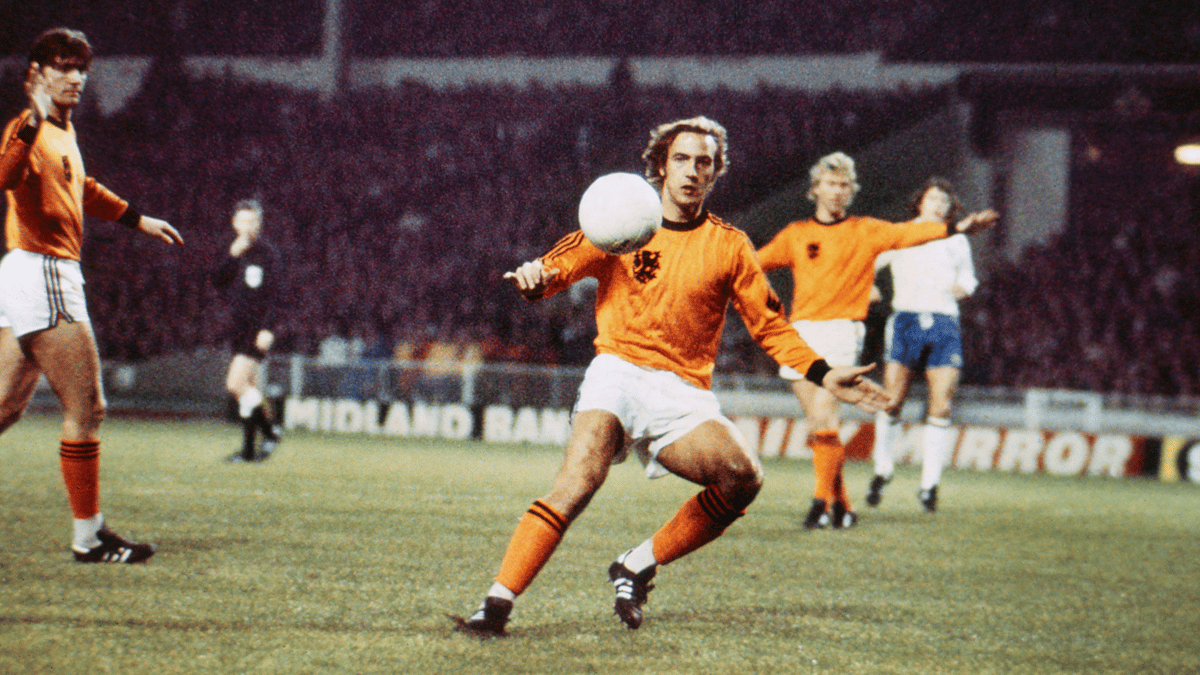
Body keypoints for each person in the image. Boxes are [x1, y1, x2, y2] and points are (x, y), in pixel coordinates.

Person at [453, 117, 891, 637]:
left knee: (744, 476)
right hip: (616, 370)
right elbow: (552, 272)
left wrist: (823, 372)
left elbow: (771, 326)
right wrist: (533, 280)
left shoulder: (729, 245)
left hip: (681, 390)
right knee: (579, 481)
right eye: (681, 159)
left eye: (703, 162)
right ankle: (495, 605)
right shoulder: (620, 218)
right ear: (661, 166)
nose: (691, 171)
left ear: (715, 173)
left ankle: (636, 564)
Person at [0, 28, 183, 563]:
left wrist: (138, 218)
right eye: (63, 65)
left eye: (82, 67)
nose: (77, 76)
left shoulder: (63, 131)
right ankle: (88, 536)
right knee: (89, 408)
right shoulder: (30, 127)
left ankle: (90, 531)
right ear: (36, 73)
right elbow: (6, 175)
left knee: (6, 405)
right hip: (46, 271)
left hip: (25, 272)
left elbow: (81, 187)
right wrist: (31, 117)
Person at [756, 152, 996, 530]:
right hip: (799, 333)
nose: (837, 191)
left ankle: (820, 502)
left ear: (851, 192)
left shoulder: (866, 230)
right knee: (817, 424)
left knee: (824, 415)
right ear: (815, 189)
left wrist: (956, 228)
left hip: (841, 332)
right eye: (831, 184)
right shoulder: (796, 235)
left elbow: (908, 233)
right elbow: (754, 265)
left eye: (844, 186)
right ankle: (842, 507)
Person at [867, 178, 978, 512]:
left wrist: (965, 287)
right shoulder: (901, 234)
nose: (939, 203)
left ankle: (930, 485)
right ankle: (882, 468)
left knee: (942, 403)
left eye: (945, 199)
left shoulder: (956, 238)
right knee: (892, 400)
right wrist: (866, 286)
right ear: (920, 202)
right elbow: (866, 261)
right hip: (906, 321)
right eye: (933, 198)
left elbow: (969, 277)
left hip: (944, 322)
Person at [214, 199, 282, 462]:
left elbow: (277, 295)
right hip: (238, 328)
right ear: (234, 223)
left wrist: (268, 328)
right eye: (242, 221)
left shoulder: (269, 254)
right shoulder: (234, 251)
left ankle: (271, 431)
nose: (247, 226)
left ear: (259, 224)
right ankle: (249, 451)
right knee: (248, 389)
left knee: (236, 384)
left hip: (257, 329)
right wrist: (232, 255)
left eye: (252, 221)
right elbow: (217, 281)